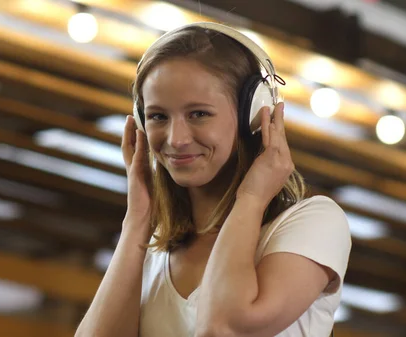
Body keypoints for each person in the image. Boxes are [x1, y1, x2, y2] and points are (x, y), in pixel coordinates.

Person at [75, 22, 352, 337]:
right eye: (158, 116)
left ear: (254, 113)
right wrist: (137, 220)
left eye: (198, 114)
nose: (176, 139)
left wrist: (251, 200)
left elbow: (224, 328)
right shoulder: (153, 254)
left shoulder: (312, 223)